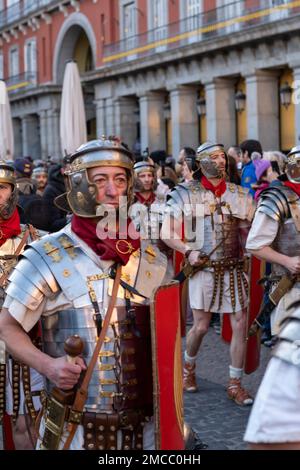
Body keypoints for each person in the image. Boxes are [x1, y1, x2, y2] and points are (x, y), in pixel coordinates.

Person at [0, 137, 179, 450]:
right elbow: (7, 326)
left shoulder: (152, 258)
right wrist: (48, 366)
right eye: (100, 180)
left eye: (120, 179)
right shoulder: (45, 256)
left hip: (147, 429)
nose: (113, 190)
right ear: (80, 185)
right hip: (78, 429)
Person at [161, 141, 256, 405]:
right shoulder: (184, 193)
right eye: (214, 157)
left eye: (223, 157)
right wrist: (187, 251)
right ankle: (189, 366)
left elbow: (249, 232)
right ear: (202, 162)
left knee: (240, 323)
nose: (221, 161)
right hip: (203, 267)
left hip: (235, 269)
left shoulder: (239, 194)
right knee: (201, 326)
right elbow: (166, 232)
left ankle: (235, 383)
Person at [244, 145, 300, 449]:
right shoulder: (277, 198)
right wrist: (287, 261)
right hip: (291, 288)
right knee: (288, 357)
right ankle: (277, 415)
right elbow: (255, 245)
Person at [0, 161, 42, 449]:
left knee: (26, 422)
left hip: (24, 344)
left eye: (1, 188)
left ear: (13, 192)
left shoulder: (35, 238)